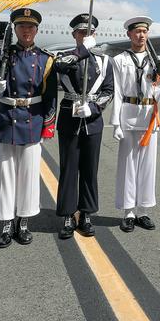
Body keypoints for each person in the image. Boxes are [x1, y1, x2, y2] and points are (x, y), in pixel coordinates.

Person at [0, 8, 57, 248]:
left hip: (32, 119)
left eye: (30, 27)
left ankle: (23, 221)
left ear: (37, 30)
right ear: (15, 30)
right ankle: (6, 223)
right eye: (21, 26)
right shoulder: (1, 56)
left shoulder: (46, 59)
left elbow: (50, 96)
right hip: (7, 118)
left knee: (28, 175)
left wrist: (48, 125)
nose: (26, 31)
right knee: (5, 175)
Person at [110, 16, 160, 232]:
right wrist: (116, 124)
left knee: (148, 166)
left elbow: (155, 90)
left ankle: (143, 211)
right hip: (128, 115)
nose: (141, 35)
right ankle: (128, 211)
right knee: (128, 166)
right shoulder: (119, 60)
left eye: (144, 32)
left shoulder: (154, 62)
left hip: (148, 117)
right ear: (129, 34)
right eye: (136, 32)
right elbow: (117, 93)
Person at [53, 13, 114, 239]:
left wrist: (94, 108)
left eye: (90, 33)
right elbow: (60, 66)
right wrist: (82, 51)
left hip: (93, 121)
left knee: (90, 169)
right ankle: (68, 214)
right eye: (81, 32)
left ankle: (87, 213)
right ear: (74, 35)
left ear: (95, 35)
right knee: (69, 169)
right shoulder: (66, 56)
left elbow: (109, 91)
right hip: (70, 118)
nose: (85, 35)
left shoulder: (105, 61)